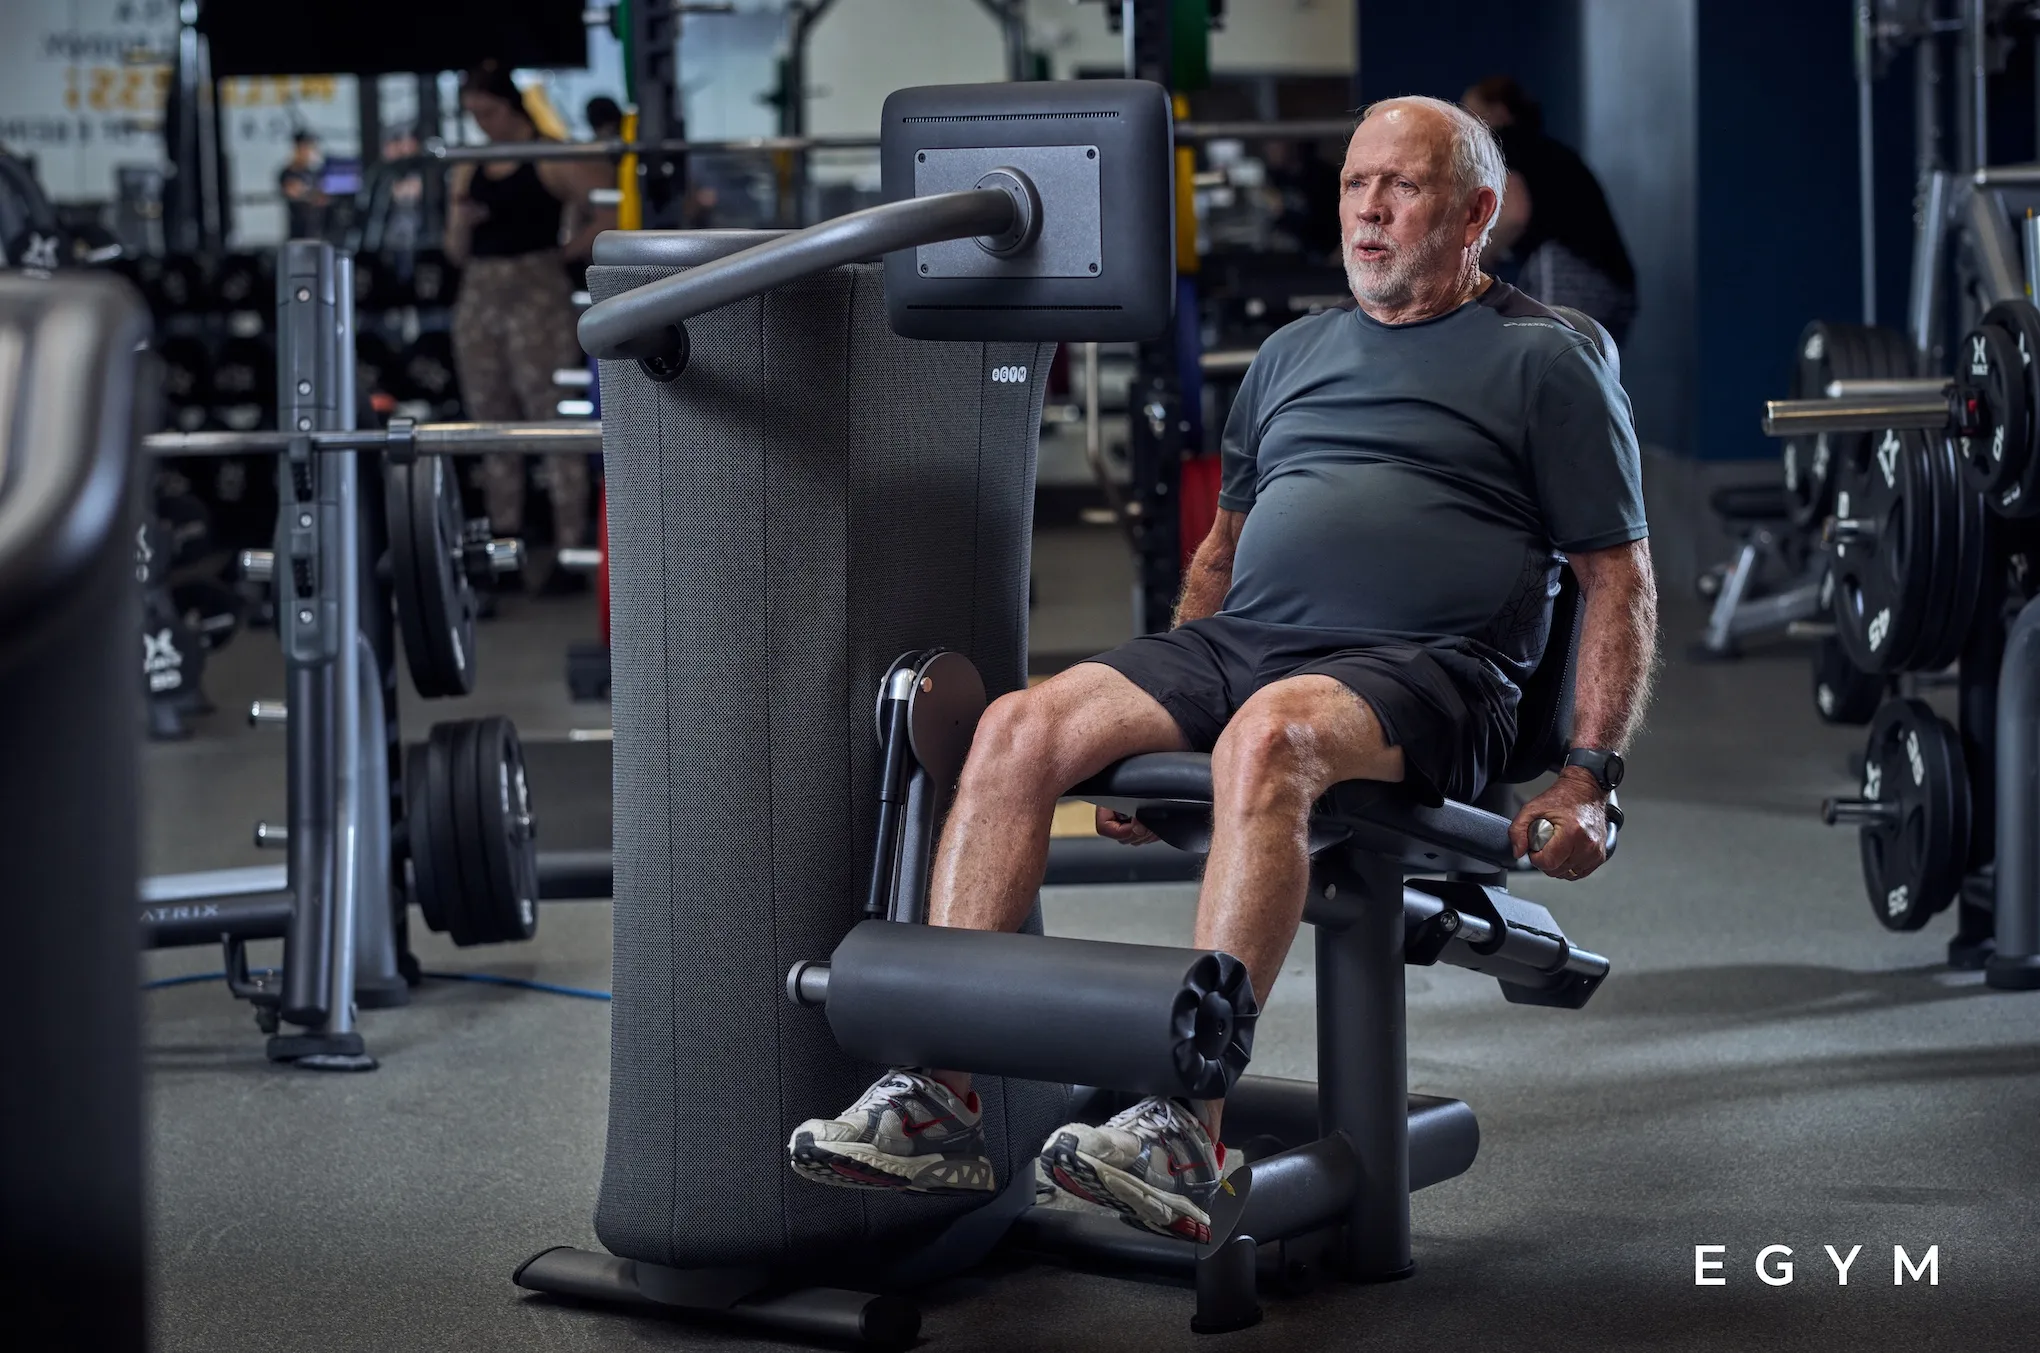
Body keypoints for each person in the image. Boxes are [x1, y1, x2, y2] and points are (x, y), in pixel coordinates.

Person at [785, 96, 1657, 1245]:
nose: (1371, 209)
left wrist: (1590, 775)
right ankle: (938, 1098)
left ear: (1478, 212)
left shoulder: (1550, 359)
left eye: (1404, 186)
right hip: (1247, 643)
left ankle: (1182, 1127)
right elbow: (1221, 554)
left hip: (1433, 669)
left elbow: (1618, 582)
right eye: (1356, 185)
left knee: (1274, 736)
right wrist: (1165, 717)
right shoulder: (1294, 353)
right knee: (1019, 726)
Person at [444, 64, 615, 589]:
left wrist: (566, 251)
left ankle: (569, 550)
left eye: (490, 112)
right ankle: (504, 547)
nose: (483, 125)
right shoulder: (471, 166)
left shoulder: (550, 155)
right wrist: (462, 222)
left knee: (551, 422)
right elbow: (453, 250)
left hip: (536, 295)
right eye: (473, 115)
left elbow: (610, 208)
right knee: (491, 425)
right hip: (480, 295)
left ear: (512, 105)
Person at [1462, 75, 1637, 346]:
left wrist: (1475, 257)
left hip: (1571, 271)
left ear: (1498, 112)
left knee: (1549, 355)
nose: (1465, 123)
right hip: (1613, 283)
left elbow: (1515, 214)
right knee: (1587, 372)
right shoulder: (1549, 151)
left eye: (1470, 112)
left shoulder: (1505, 142)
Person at [278, 130, 327, 240]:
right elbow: (293, 192)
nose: (307, 152)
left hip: (317, 232)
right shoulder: (288, 173)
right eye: (304, 147)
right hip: (298, 233)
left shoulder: (314, 173)